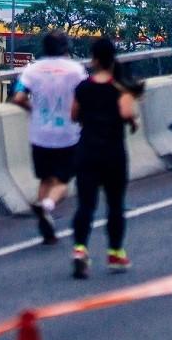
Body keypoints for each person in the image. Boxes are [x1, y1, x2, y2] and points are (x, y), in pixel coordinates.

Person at [71, 39, 138, 279]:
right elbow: (127, 113)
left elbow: (74, 115)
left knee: (86, 205)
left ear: (94, 59)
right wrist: (132, 122)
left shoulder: (83, 87)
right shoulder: (120, 87)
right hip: (113, 154)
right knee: (115, 205)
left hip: (87, 150)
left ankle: (80, 249)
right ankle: (115, 252)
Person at [12, 31, 87, 243]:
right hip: (67, 134)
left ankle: (45, 219)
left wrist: (33, 109)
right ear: (66, 47)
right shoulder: (76, 70)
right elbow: (85, 95)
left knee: (45, 178)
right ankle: (47, 206)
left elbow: (18, 97)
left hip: (40, 134)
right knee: (64, 180)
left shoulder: (31, 70)